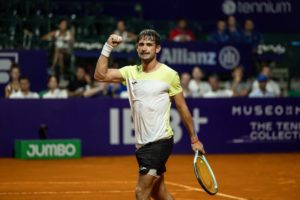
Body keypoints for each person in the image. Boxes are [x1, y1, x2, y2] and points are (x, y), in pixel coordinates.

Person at [94, 29, 205, 200]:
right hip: (142, 145)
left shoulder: (170, 74)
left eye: (149, 45)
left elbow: (182, 107)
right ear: (137, 48)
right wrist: (108, 46)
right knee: (158, 193)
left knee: (141, 192)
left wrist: (194, 139)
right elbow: (100, 75)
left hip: (160, 142)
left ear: (157, 49)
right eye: (141, 44)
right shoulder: (130, 72)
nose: (144, 48)